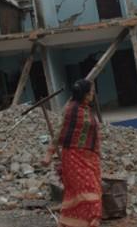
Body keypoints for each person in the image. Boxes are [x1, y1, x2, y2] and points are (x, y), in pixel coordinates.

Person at [42, 79, 102, 227]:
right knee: (85, 190)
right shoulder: (71, 110)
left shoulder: (86, 109)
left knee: (92, 188)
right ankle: (89, 221)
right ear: (85, 94)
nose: (93, 94)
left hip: (89, 158)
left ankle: (82, 222)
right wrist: (49, 154)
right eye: (91, 92)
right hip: (73, 157)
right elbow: (59, 132)